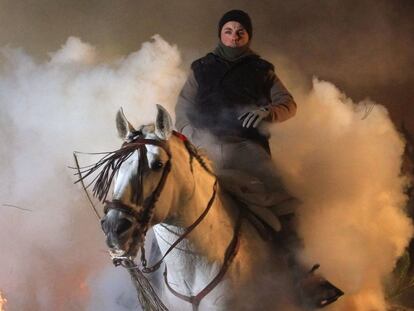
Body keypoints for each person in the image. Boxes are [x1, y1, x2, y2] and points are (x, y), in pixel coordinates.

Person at [175, 9, 343, 308]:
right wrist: (190, 131)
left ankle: (302, 278)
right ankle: (145, 271)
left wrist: (268, 112)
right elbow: (184, 106)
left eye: (240, 31)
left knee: (285, 203)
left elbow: (288, 103)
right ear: (220, 33)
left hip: (246, 149)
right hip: (205, 147)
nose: (234, 36)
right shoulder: (201, 68)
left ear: (248, 35)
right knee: (166, 191)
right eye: (228, 30)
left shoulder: (261, 69)